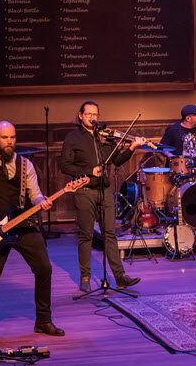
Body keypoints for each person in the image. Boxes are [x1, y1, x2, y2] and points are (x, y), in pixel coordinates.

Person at [0, 121, 63, 340]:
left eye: (13, 137)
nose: (10, 142)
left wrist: (42, 201)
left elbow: (35, 193)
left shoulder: (26, 165)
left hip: (23, 224)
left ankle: (43, 321)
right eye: (5, 138)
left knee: (44, 268)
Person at [60, 101, 144, 292]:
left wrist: (132, 148)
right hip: (84, 191)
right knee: (86, 235)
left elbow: (117, 160)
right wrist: (89, 170)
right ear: (80, 116)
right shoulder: (73, 138)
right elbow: (65, 166)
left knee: (110, 235)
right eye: (88, 114)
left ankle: (120, 277)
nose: (92, 117)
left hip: (105, 191)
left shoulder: (104, 137)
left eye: (95, 114)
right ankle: (85, 277)